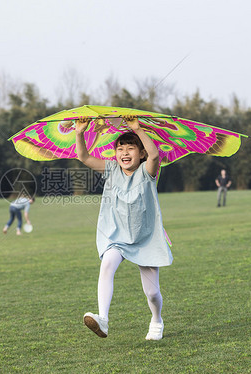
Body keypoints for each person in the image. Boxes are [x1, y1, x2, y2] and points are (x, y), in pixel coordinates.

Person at [75, 115, 173, 341]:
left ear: (141, 154)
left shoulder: (148, 171)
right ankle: (103, 319)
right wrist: (80, 132)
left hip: (145, 237)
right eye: (120, 149)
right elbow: (83, 156)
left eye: (131, 149)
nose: (125, 153)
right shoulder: (111, 169)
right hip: (116, 236)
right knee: (107, 265)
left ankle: (156, 319)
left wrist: (137, 129)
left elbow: (156, 154)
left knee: (152, 292)